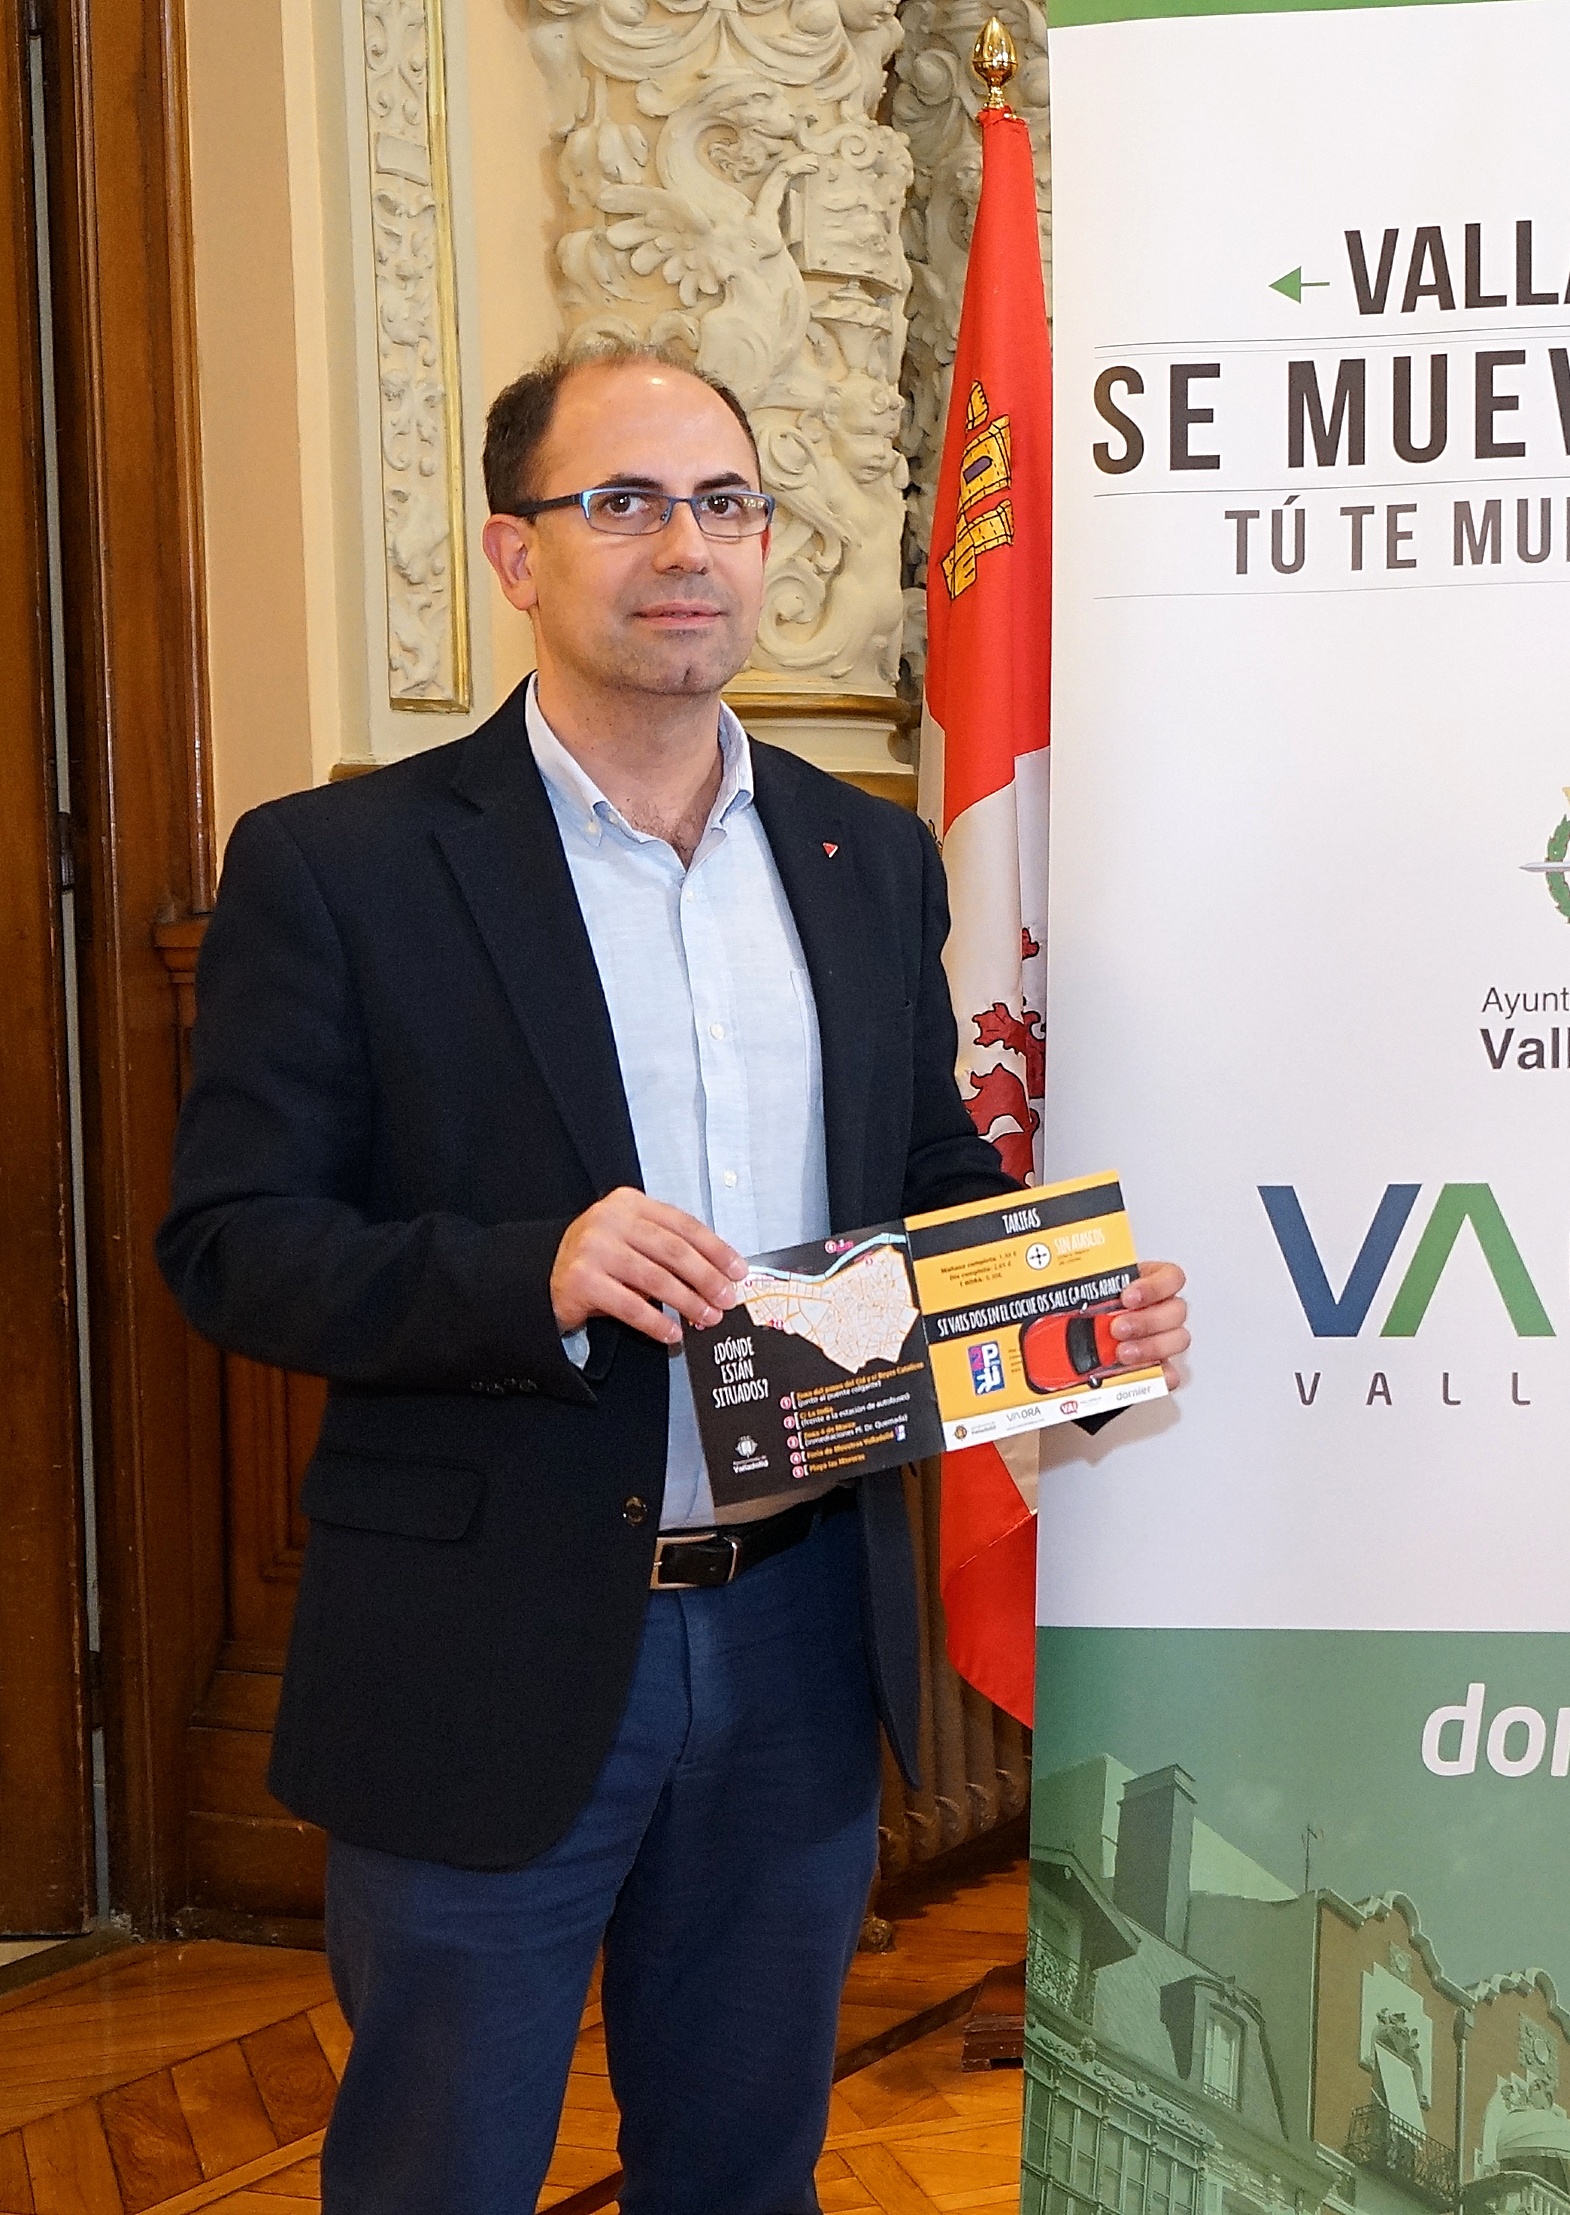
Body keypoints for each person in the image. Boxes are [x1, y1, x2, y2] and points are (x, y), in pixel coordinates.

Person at [157, 336, 1190, 2215]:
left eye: (724, 504)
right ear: (514, 552)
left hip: (799, 1638)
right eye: (623, 502)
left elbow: (925, 1185)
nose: (685, 547)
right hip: (492, 1650)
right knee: (440, 2179)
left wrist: (1064, 1321)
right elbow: (234, 1248)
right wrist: (530, 1271)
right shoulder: (342, 867)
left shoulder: (865, 859)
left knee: (742, 2175)